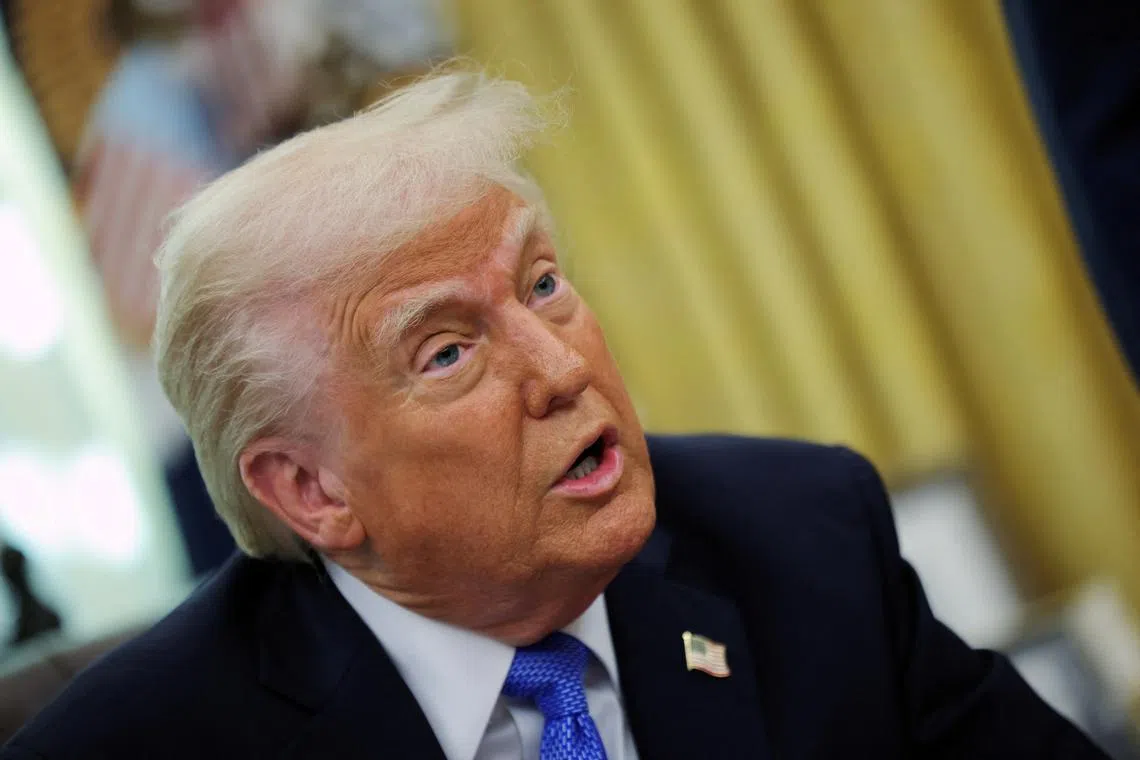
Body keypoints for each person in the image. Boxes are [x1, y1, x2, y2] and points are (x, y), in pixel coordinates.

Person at [1, 72, 1107, 760]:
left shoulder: (802, 538)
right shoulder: (139, 744)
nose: (559, 366)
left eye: (540, 285)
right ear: (311, 489)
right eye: (445, 350)